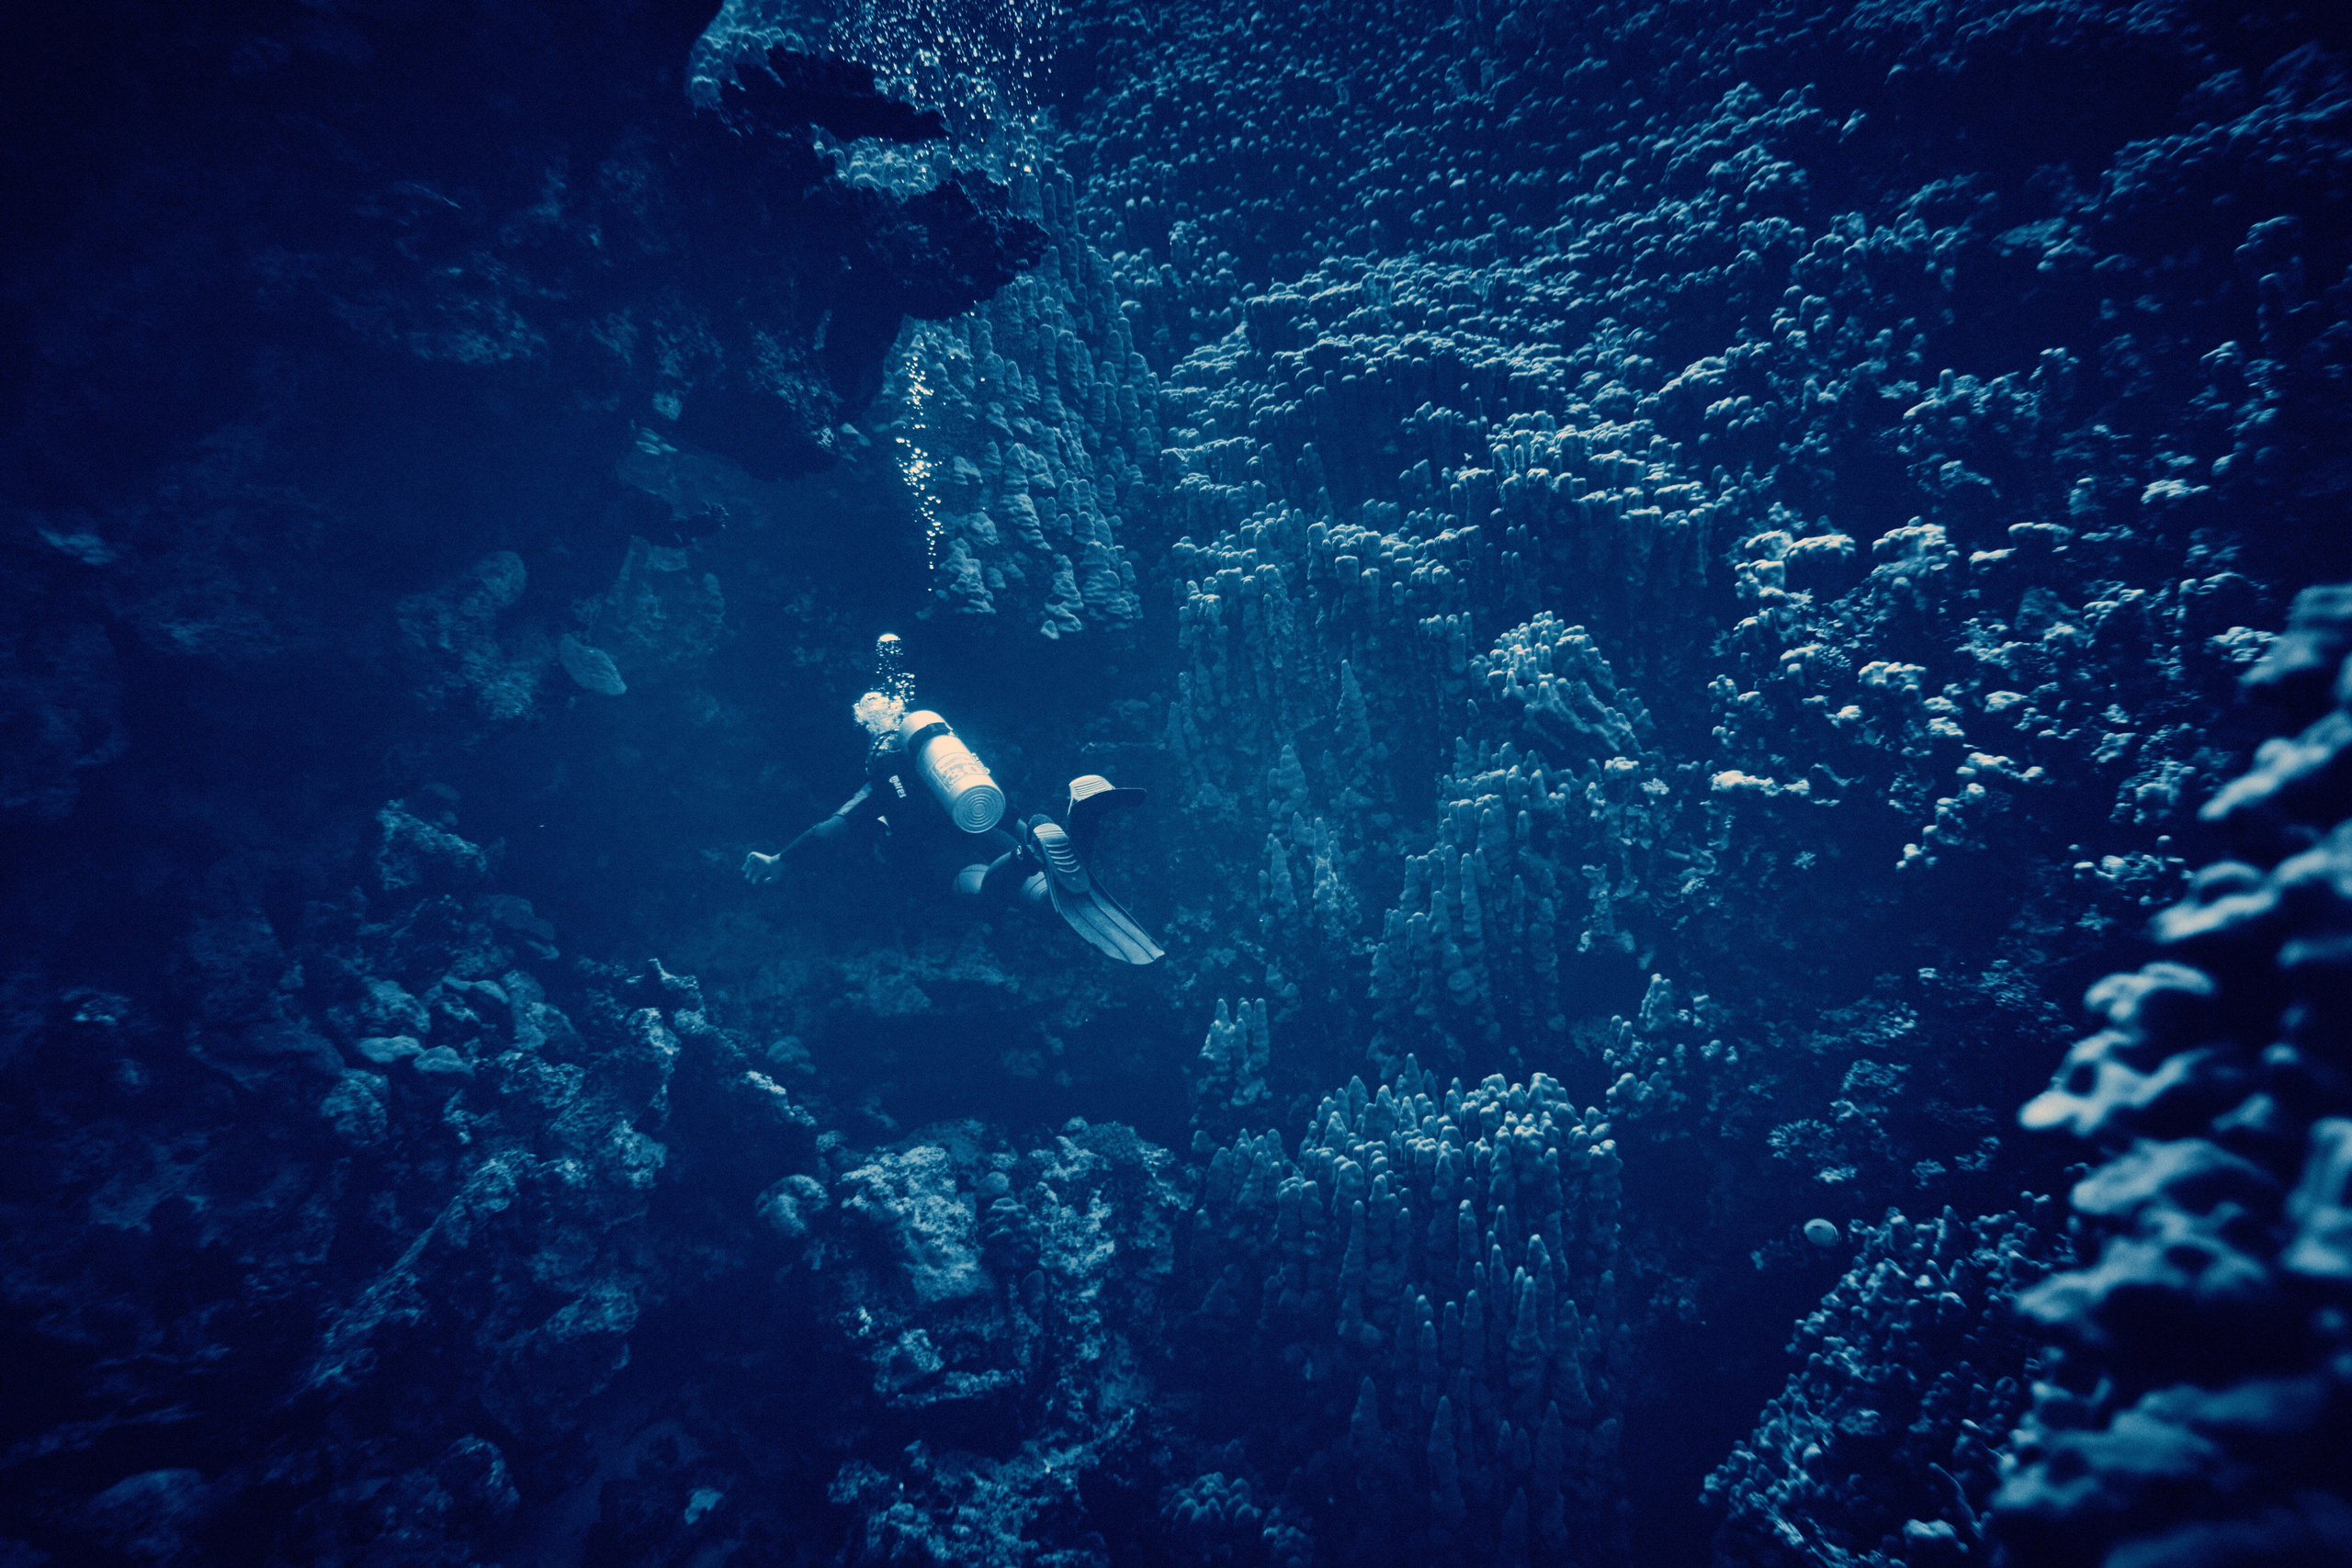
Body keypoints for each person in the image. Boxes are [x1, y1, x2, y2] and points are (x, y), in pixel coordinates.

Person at [743, 636, 1161, 964]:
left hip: (946, 856)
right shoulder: (951, 767)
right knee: (1050, 899)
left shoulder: (880, 786)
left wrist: (780, 860)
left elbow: (828, 830)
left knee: (983, 896)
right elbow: (1003, 810)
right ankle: (1079, 825)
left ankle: (1028, 855)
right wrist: (1027, 831)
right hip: (989, 827)